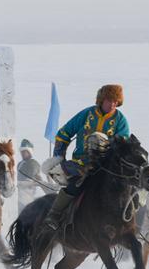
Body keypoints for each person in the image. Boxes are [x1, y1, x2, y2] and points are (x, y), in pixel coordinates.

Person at [40, 84, 128, 231]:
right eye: (109, 100)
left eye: (115, 101)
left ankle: (124, 223)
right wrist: (59, 157)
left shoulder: (121, 120)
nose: (112, 104)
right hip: (81, 164)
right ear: (101, 100)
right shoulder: (86, 114)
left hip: (107, 167)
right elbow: (64, 133)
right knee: (75, 185)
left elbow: (122, 144)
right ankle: (54, 216)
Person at [16, 139, 44, 213]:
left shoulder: (33, 164)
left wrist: (18, 184)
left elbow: (31, 181)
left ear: (29, 152)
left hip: (27, 197)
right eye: (21, 151)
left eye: (24, 151)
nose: (22, 153)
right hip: (18, 196)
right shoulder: (20, 164)